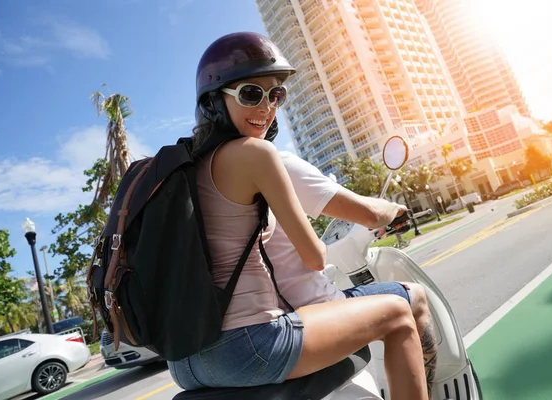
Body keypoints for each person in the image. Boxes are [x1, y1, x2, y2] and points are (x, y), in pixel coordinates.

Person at [167, 32, 429, 400]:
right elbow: (314, 256)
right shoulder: (257, 155)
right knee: (399, 315)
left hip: (184, 362)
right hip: (249, 346)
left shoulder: (185, 169)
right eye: (250, 94)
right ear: (214, 101)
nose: (267, 107)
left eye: (276, 94)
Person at [266, 151, 437, 394]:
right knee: (414, 299)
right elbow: (368, 214)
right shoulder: (274, 162)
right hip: (301, 315)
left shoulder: (207, 179)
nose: (267, 110)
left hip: (236, 335)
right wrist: (393, 208)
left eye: (275, 108)